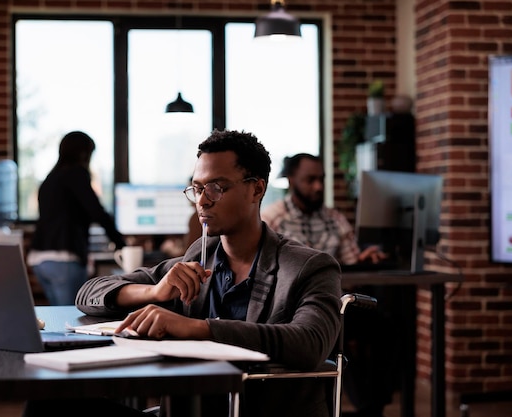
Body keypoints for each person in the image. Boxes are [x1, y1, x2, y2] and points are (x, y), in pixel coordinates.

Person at [75, 129, 342, 417]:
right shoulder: (199, 256)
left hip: (256, 409)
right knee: (51, 401)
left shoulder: (309, 267)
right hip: (188, 409)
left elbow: (311, 342)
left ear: (257, 189)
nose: (202, 201)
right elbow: (88, 292)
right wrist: (153, 292)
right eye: (197, 188)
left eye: (217, 187)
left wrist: (199, 329)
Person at [261, 153, 399, 417]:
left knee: (388, 330)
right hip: (293, 311)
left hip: (338, 303)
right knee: (338, 337)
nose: (318, 187)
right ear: (291, 181)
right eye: (310, 180)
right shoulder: (272, 220)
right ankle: (366, 408)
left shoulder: (335, 219)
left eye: (321, 179)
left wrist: (362, 260)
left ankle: (373, 407)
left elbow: (350, 265)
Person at [27, 131, 126, 306]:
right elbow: (97, 212)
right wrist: (121, 244)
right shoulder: (76, 174)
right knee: (72, 319)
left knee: (58, 319)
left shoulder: (50, 179)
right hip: (64, 257)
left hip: (39, 259)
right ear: (84, 154)